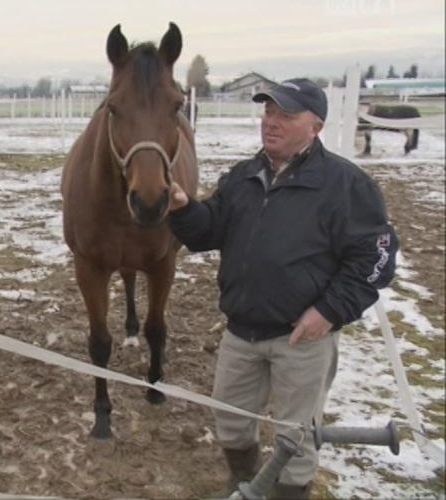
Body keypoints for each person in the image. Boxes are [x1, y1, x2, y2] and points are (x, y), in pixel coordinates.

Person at [167, 79, 398, 499]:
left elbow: (375, 259)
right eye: (268, 113)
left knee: (296, 440)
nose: (271, 123)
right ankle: (244, 487)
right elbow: (207, 232)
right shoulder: (243, 177)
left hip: (302, 337)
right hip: (240, 331)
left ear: (316, 127)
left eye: (286, 116)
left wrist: (328, 311)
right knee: (231, 423)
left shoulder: (346, 185)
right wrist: (183, 208)